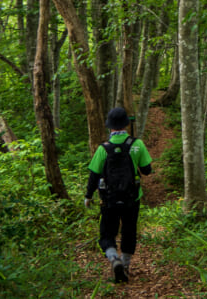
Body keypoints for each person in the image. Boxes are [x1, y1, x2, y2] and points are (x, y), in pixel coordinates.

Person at [84, 107, 153, 283]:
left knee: (107, 234)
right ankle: (126, 265)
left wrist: (88, 196)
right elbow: (147, 170)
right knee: (129, 231)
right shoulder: (137, 144)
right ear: (126, 125)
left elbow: (93, 175)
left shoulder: (103, 149)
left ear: (110, 126)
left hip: (109, 200)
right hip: (132, 198)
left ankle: (114, 259)